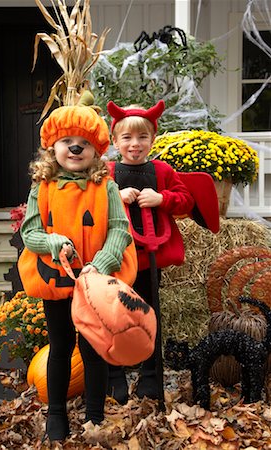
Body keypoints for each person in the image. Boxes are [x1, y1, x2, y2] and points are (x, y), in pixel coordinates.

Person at [19, 92, 135, 443]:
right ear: (52, 147)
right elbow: (30, 231)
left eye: (83, 142)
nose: (74, 148)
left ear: (96, 150)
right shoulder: (42, 188)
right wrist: (53, 243)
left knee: (92, 348)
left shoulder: (106, 187)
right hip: (57, 282)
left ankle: (95, 415)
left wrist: (100, 264)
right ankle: (56, 414)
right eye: (67, 142)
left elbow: (119, 229)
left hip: (94, 284)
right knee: (60, 346)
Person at [106, 99, 196, 404]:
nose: (135, 144)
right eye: (127, 138)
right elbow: (89, 206)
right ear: (114, 140)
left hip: (149, 258)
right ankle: (114, 375)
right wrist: (115, 196)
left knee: (149, 315)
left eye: (142, 137)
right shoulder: (107, 172)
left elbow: (186, 200)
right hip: (115, 259)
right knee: (114, 316)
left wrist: (161, 198)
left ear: (152, 140)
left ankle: (149, 376)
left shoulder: (161, 170)